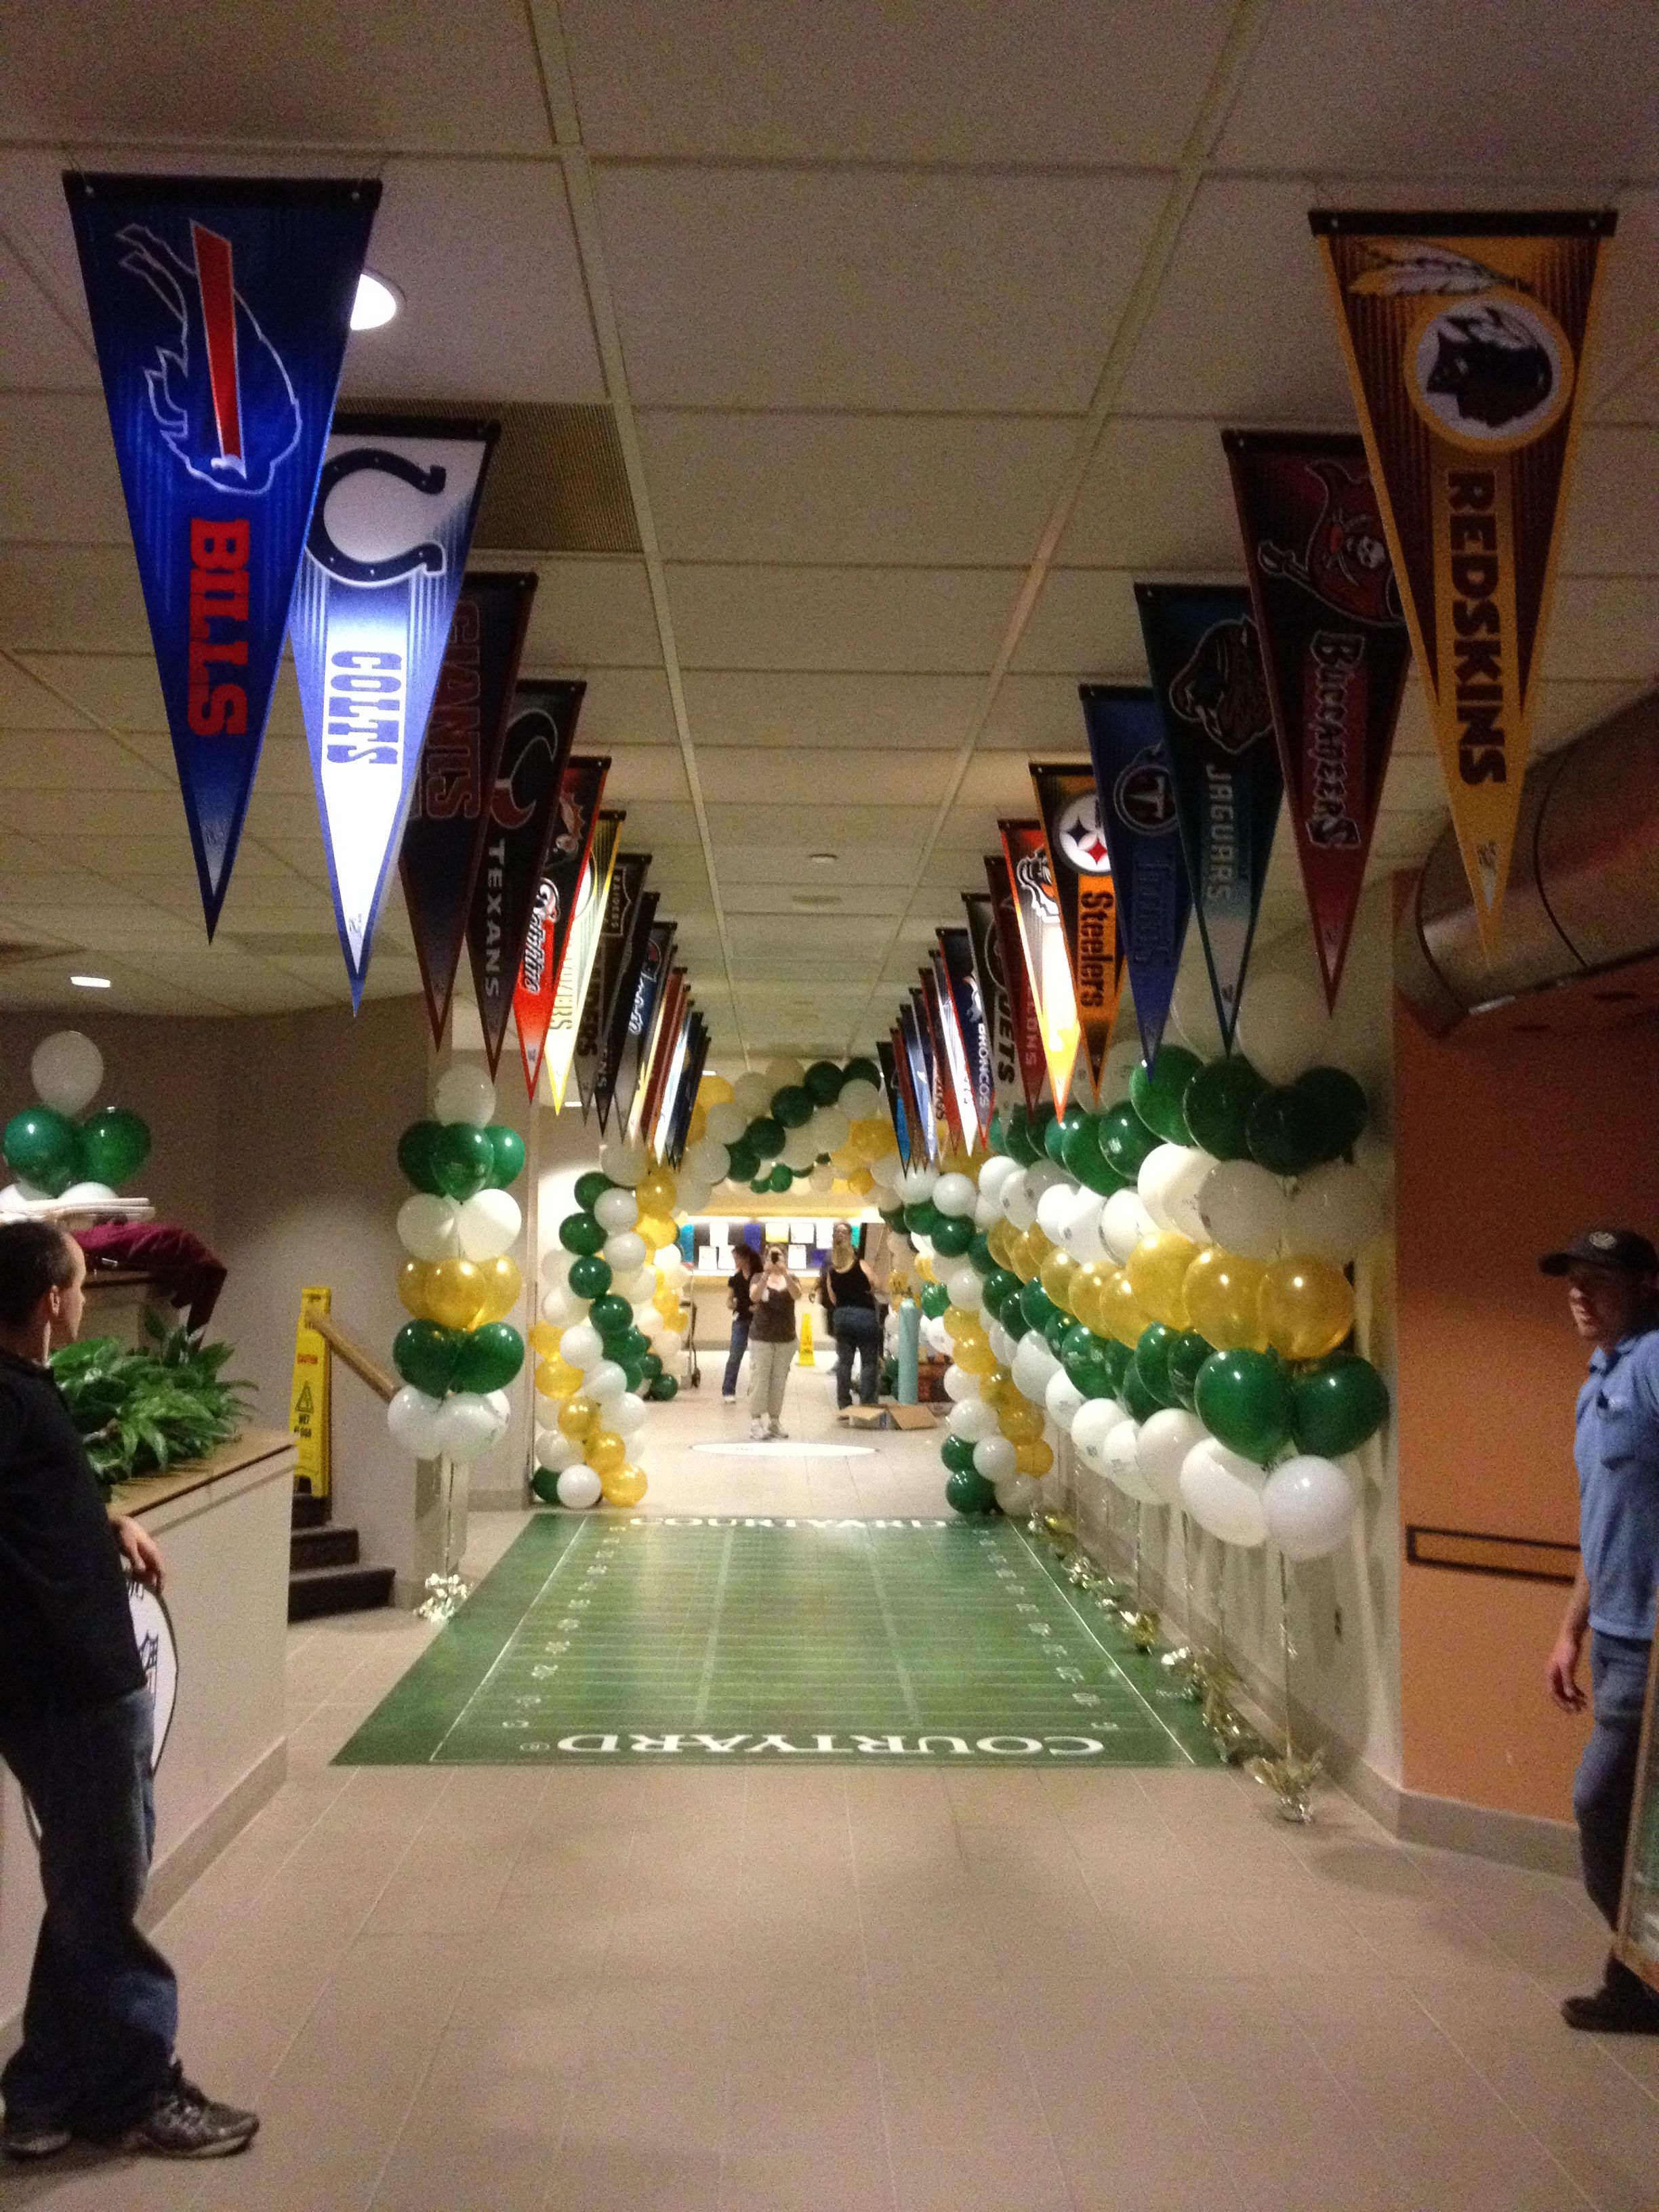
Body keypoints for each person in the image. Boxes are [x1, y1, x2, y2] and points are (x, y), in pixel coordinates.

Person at [0, 1221, 260, 2160]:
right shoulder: (8, 1396)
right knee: (105, 1898)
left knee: (85, 1892)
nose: (80, 1299)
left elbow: (29, 1500)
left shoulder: (25, 1390)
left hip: (73, 1687)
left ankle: (40, 2097)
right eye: (77, 1285)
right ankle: (134, 2090)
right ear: (51, 1303)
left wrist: (102, 1519)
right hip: (70, 1692)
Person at [1542, 1227, 1659, 2034]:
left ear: (1646, 1283)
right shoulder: (1600, 1376)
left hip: (1654, 1643)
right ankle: (1636, 1976)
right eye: (1573, 1280)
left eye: (1601, 1281)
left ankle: (1638, 1975)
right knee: (1630, 1817)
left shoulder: (1654, 1364)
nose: (1581, 1293)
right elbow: (1603, 1521)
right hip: (1616, 1635)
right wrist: (1568, 1631)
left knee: (1606, 1804)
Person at [820, 1223, 882, 1411]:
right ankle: (867, 1403)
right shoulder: (861, 1265)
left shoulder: (832, 1272)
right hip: (865, 1315)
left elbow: (832, 1298)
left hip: (842, 1317)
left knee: (845, 1362)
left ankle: (844, 1403)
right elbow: (876, 1284)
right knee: (869, 1361)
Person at [747, 1246, 800, 1441]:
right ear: (765, 1259)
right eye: (771, 1256)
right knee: (760, 1378)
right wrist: (765, 1276)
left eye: (780, 1256)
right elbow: (754, 1297)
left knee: (779, 1380)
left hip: (786, 1337)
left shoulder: (792, 1278)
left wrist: (785, 1274)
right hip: (762, 1336)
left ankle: (775, 1421)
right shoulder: (757, 1278)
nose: (776, 1259)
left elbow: (797, 1295)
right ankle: (755, 1421)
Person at [722, 1243, 759, 1405]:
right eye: (734, 1258)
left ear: (747, 1258)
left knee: (757, 1357)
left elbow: (765, 1297)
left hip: (758, 1320)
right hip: (740, 1319)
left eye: (738, 1258)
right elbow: (729, 1301)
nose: (736, 1261)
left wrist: (758, 1307)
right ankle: (728, 1389)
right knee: (735, 1355)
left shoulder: (759, 1276)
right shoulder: (735, 1279)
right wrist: (731, 1304)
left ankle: (756, 1389)